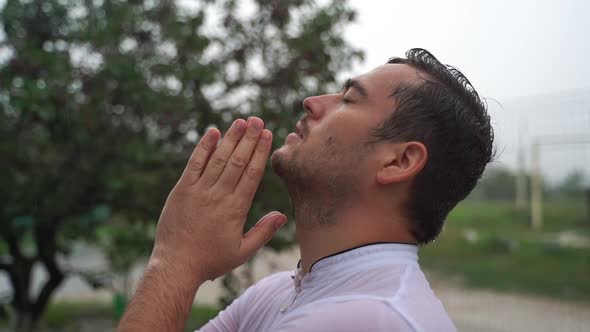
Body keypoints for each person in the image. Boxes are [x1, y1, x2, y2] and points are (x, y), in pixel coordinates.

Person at [117, 48, 494, 332]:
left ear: (398, 161)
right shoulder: (280, 292)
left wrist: (175, 261)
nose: (312, 103)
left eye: (348, 99)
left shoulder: (370, 318)